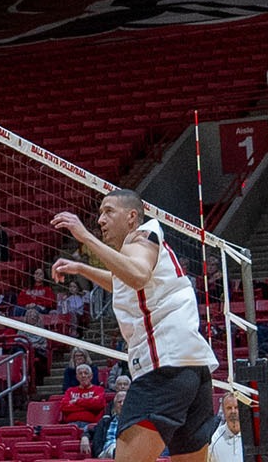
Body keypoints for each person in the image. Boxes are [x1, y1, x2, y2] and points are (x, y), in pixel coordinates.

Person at [50, 188, 219, 462]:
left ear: (131, 217)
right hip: (192, 369)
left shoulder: (140, 236)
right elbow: (127, 282)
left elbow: (137, 276)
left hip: (164, 369)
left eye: (108, 211)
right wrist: (82, 269)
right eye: (99, 214)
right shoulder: (144, 249)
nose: (100, 220)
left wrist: (84, 237)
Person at [58, 363, 109, 435]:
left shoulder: (98, 390)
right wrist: (89, 405)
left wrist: (76, 401)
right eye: (80, 373)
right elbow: (64, 407)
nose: (83, 376)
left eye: (86, 373)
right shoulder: (70, 391)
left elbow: (98, 404)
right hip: (71, 424)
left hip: (90, 425)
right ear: (77, 377)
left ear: (91, 376)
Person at [206, 394, 244, 462]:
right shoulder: (214, 441)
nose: (233, 411)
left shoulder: (252, 437)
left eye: (236, 407)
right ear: (223, 411)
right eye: (229, 408)